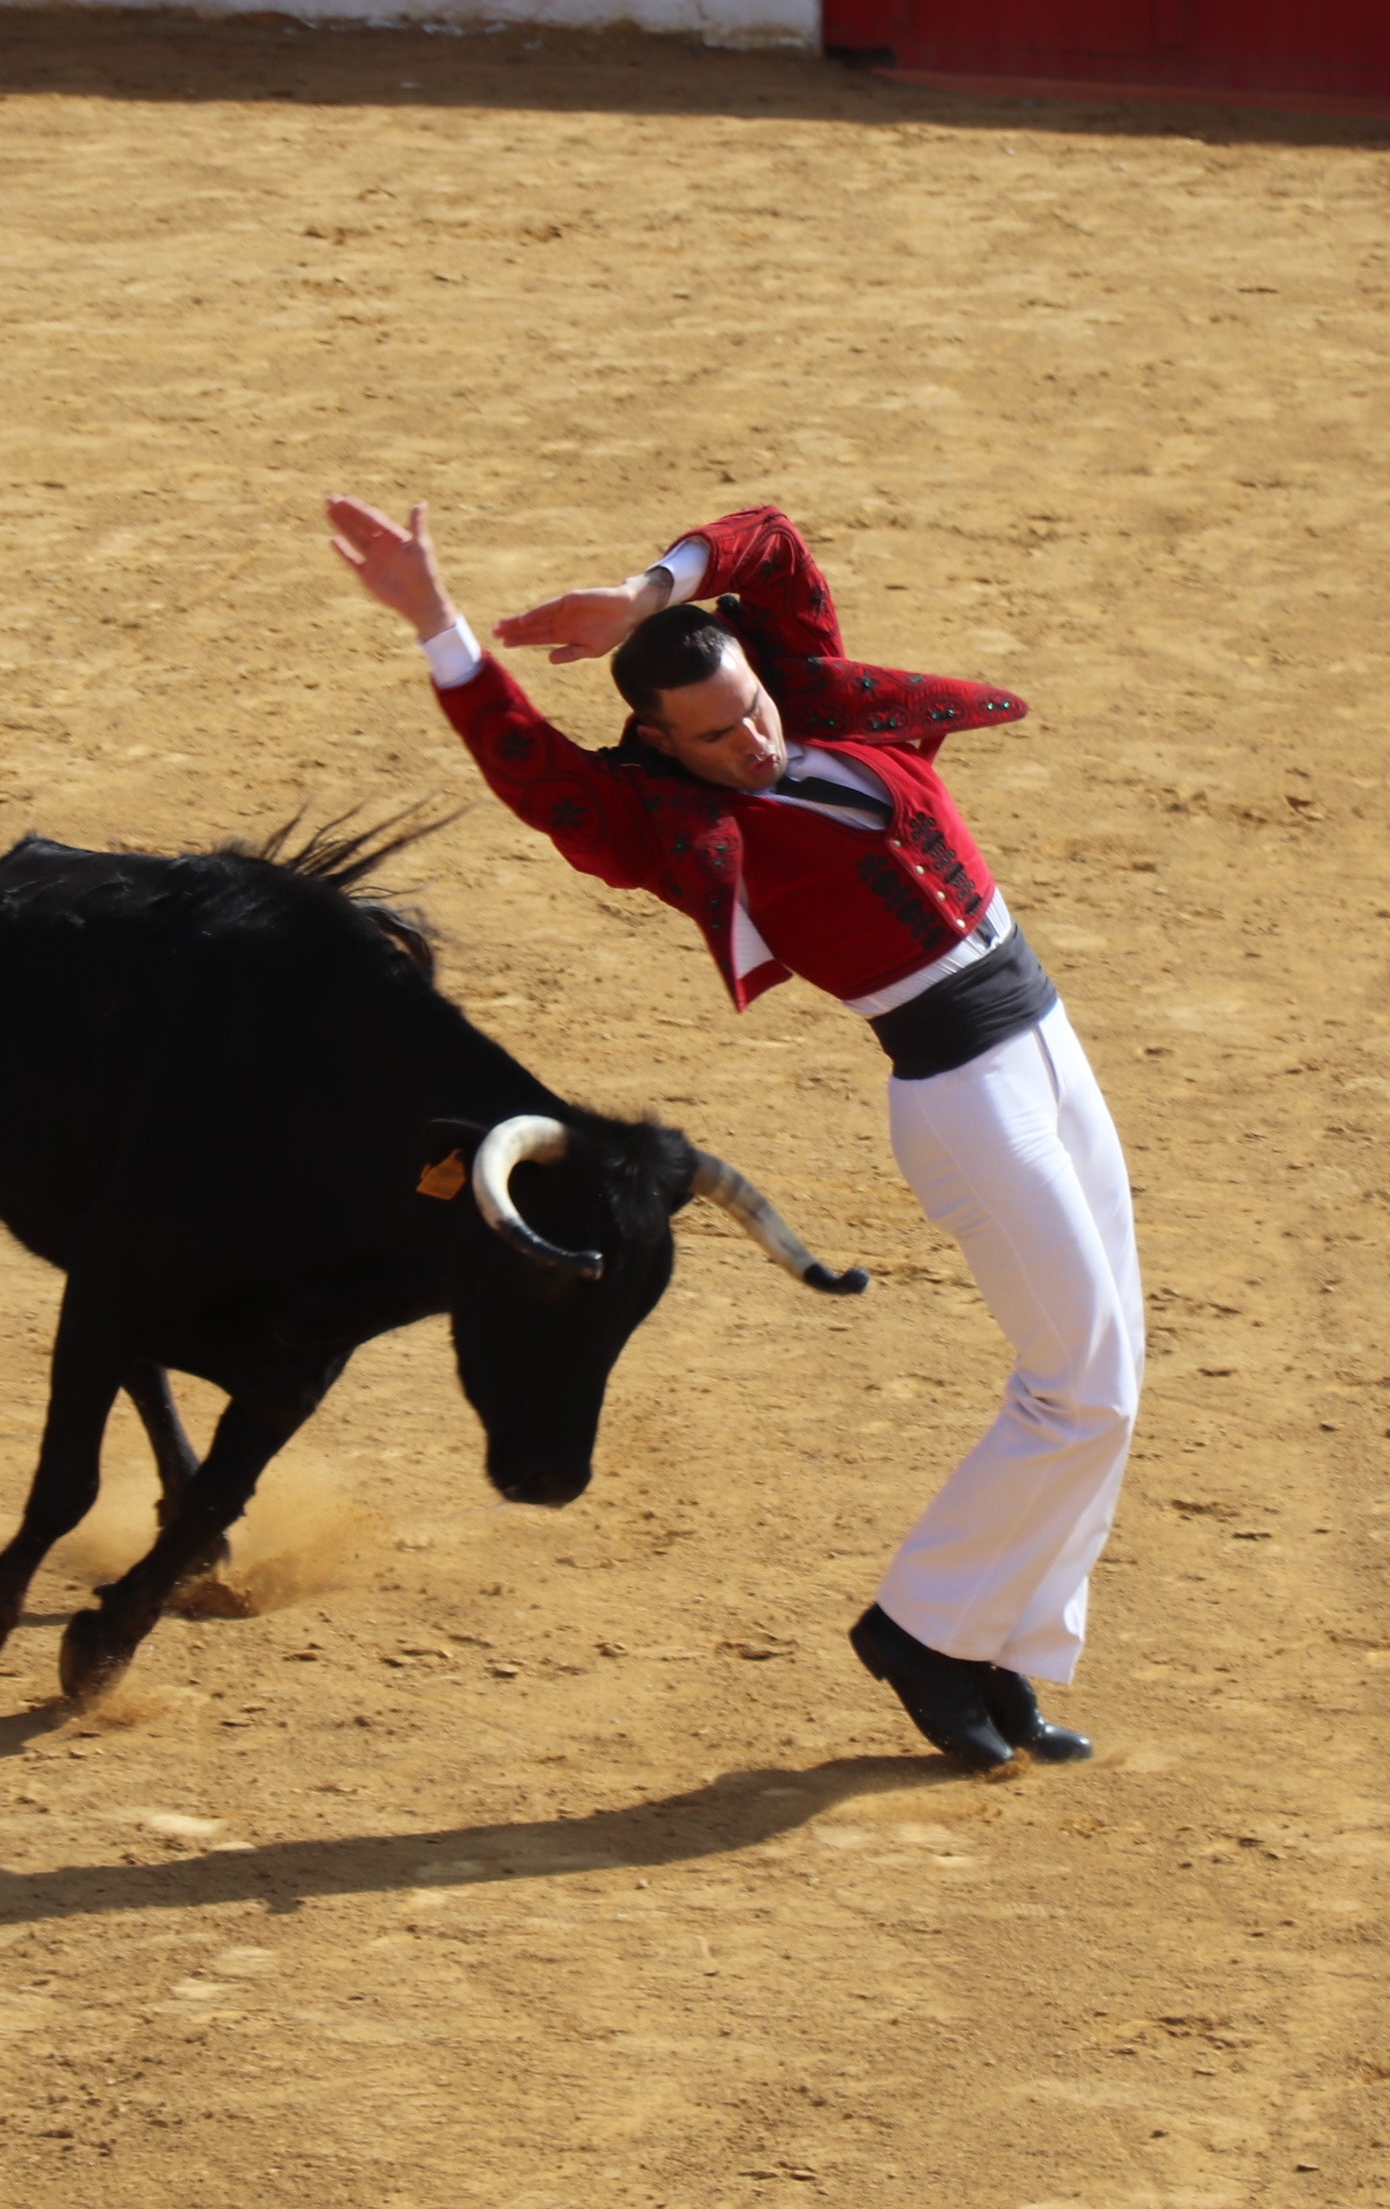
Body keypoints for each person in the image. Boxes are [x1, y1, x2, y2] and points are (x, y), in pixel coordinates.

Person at [324, 496, 1143, 1772]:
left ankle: (1008, 1651)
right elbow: (535, 774)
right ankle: (923, 1631)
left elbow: (769, 538)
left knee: (1113, 1380)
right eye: (714, 734)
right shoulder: (666, 829)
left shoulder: (806, 700)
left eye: (752, 706)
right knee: (1077, 1384)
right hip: (963, 1091)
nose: (754, 739)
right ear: (657, 739)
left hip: (1047, 1039)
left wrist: (649, 592)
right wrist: (440, 623)